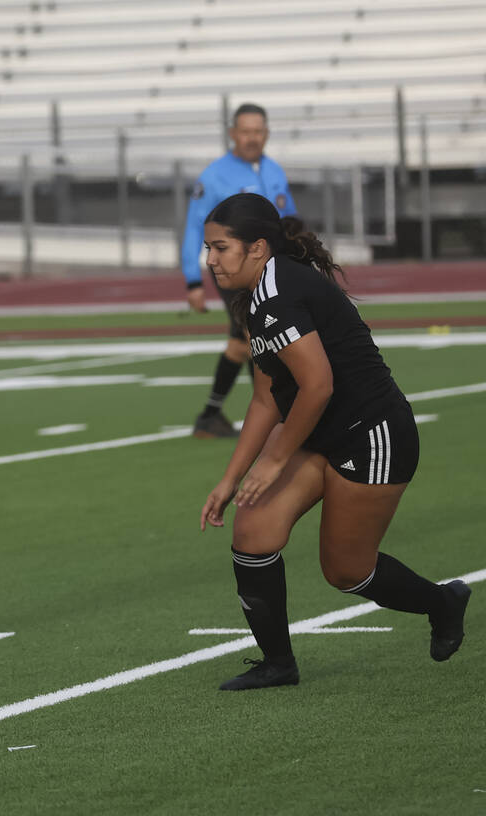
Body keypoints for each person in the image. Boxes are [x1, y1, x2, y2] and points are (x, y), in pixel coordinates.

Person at [198, 192, 470, 691]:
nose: (209, 260)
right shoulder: (255, 296)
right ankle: (279, 665)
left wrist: (274, 460)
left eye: (219, 248)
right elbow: (265, 400)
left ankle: (443, 601)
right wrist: (231, 478)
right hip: (320, 431)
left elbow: (318, 385)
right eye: (208, 248)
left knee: (346, 572)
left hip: (373, 434)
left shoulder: (278, 293)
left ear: (257, 248)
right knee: (252, 533)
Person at [181, 103, 298, 438]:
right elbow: (193, 228)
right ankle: (275, 413)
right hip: (233, 273)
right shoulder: (215, 176)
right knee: (258, 337)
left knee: (241, 345)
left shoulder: (274, 171)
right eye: (245, 131)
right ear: (233, 134)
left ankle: (210, 415)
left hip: (269, 272)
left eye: (258, 131)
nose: (252, 138)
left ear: (267, 134)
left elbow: (289, 221)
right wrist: (193, 280)